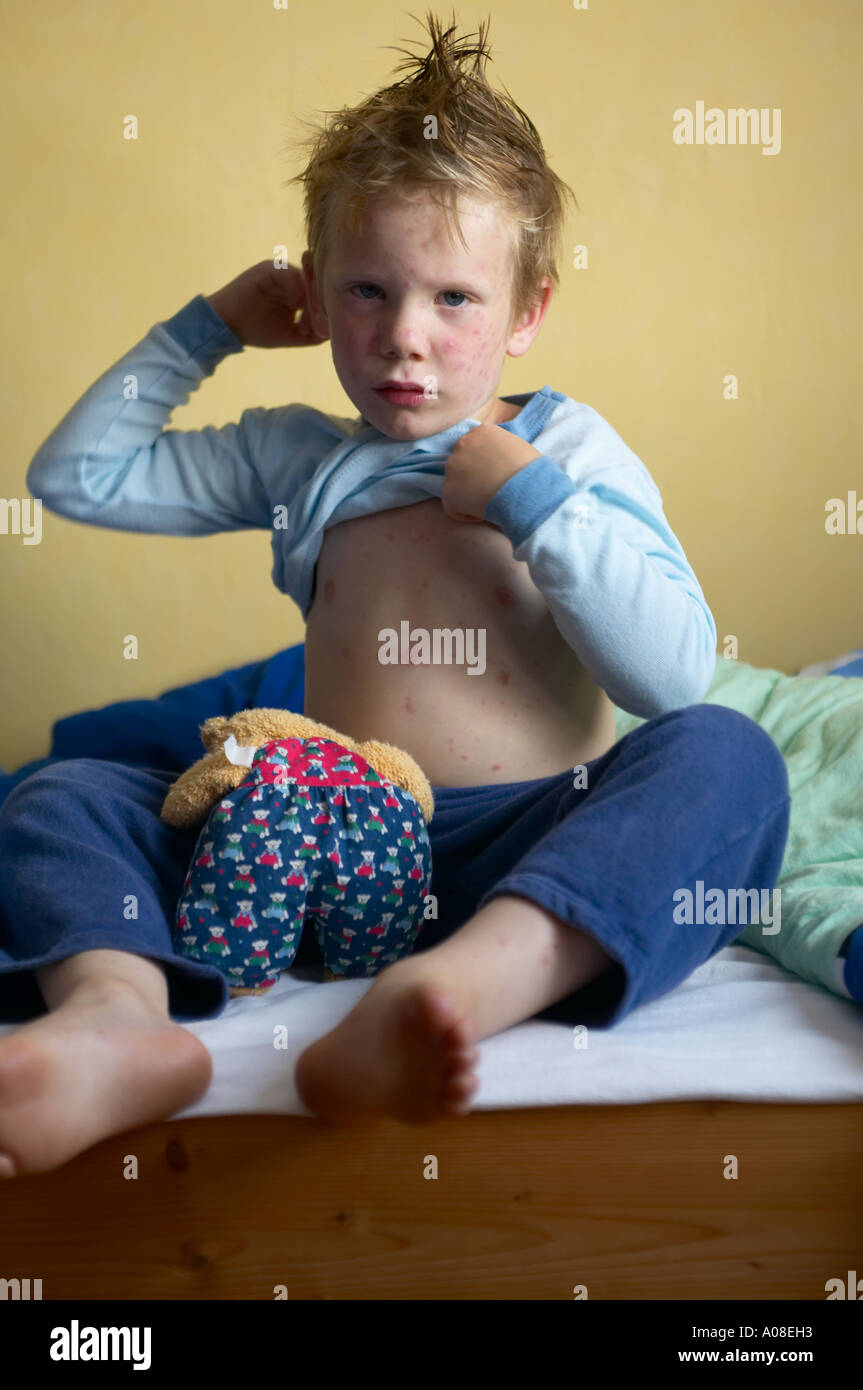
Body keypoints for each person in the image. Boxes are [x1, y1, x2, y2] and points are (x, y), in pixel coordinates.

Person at [0, 15, 789, 1174]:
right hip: (311, 842)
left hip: (524, 840)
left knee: (729, 761)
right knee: (65, 798)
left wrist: (534, 505)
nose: (403, 340)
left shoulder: (564, 450)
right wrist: (207, 329)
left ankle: (449, 990)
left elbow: (668, 675)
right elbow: (76, 476)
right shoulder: (296, 460)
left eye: (455, 300)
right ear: (316, 294)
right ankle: (116, 1019)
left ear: (526, 314)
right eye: (366, 290)